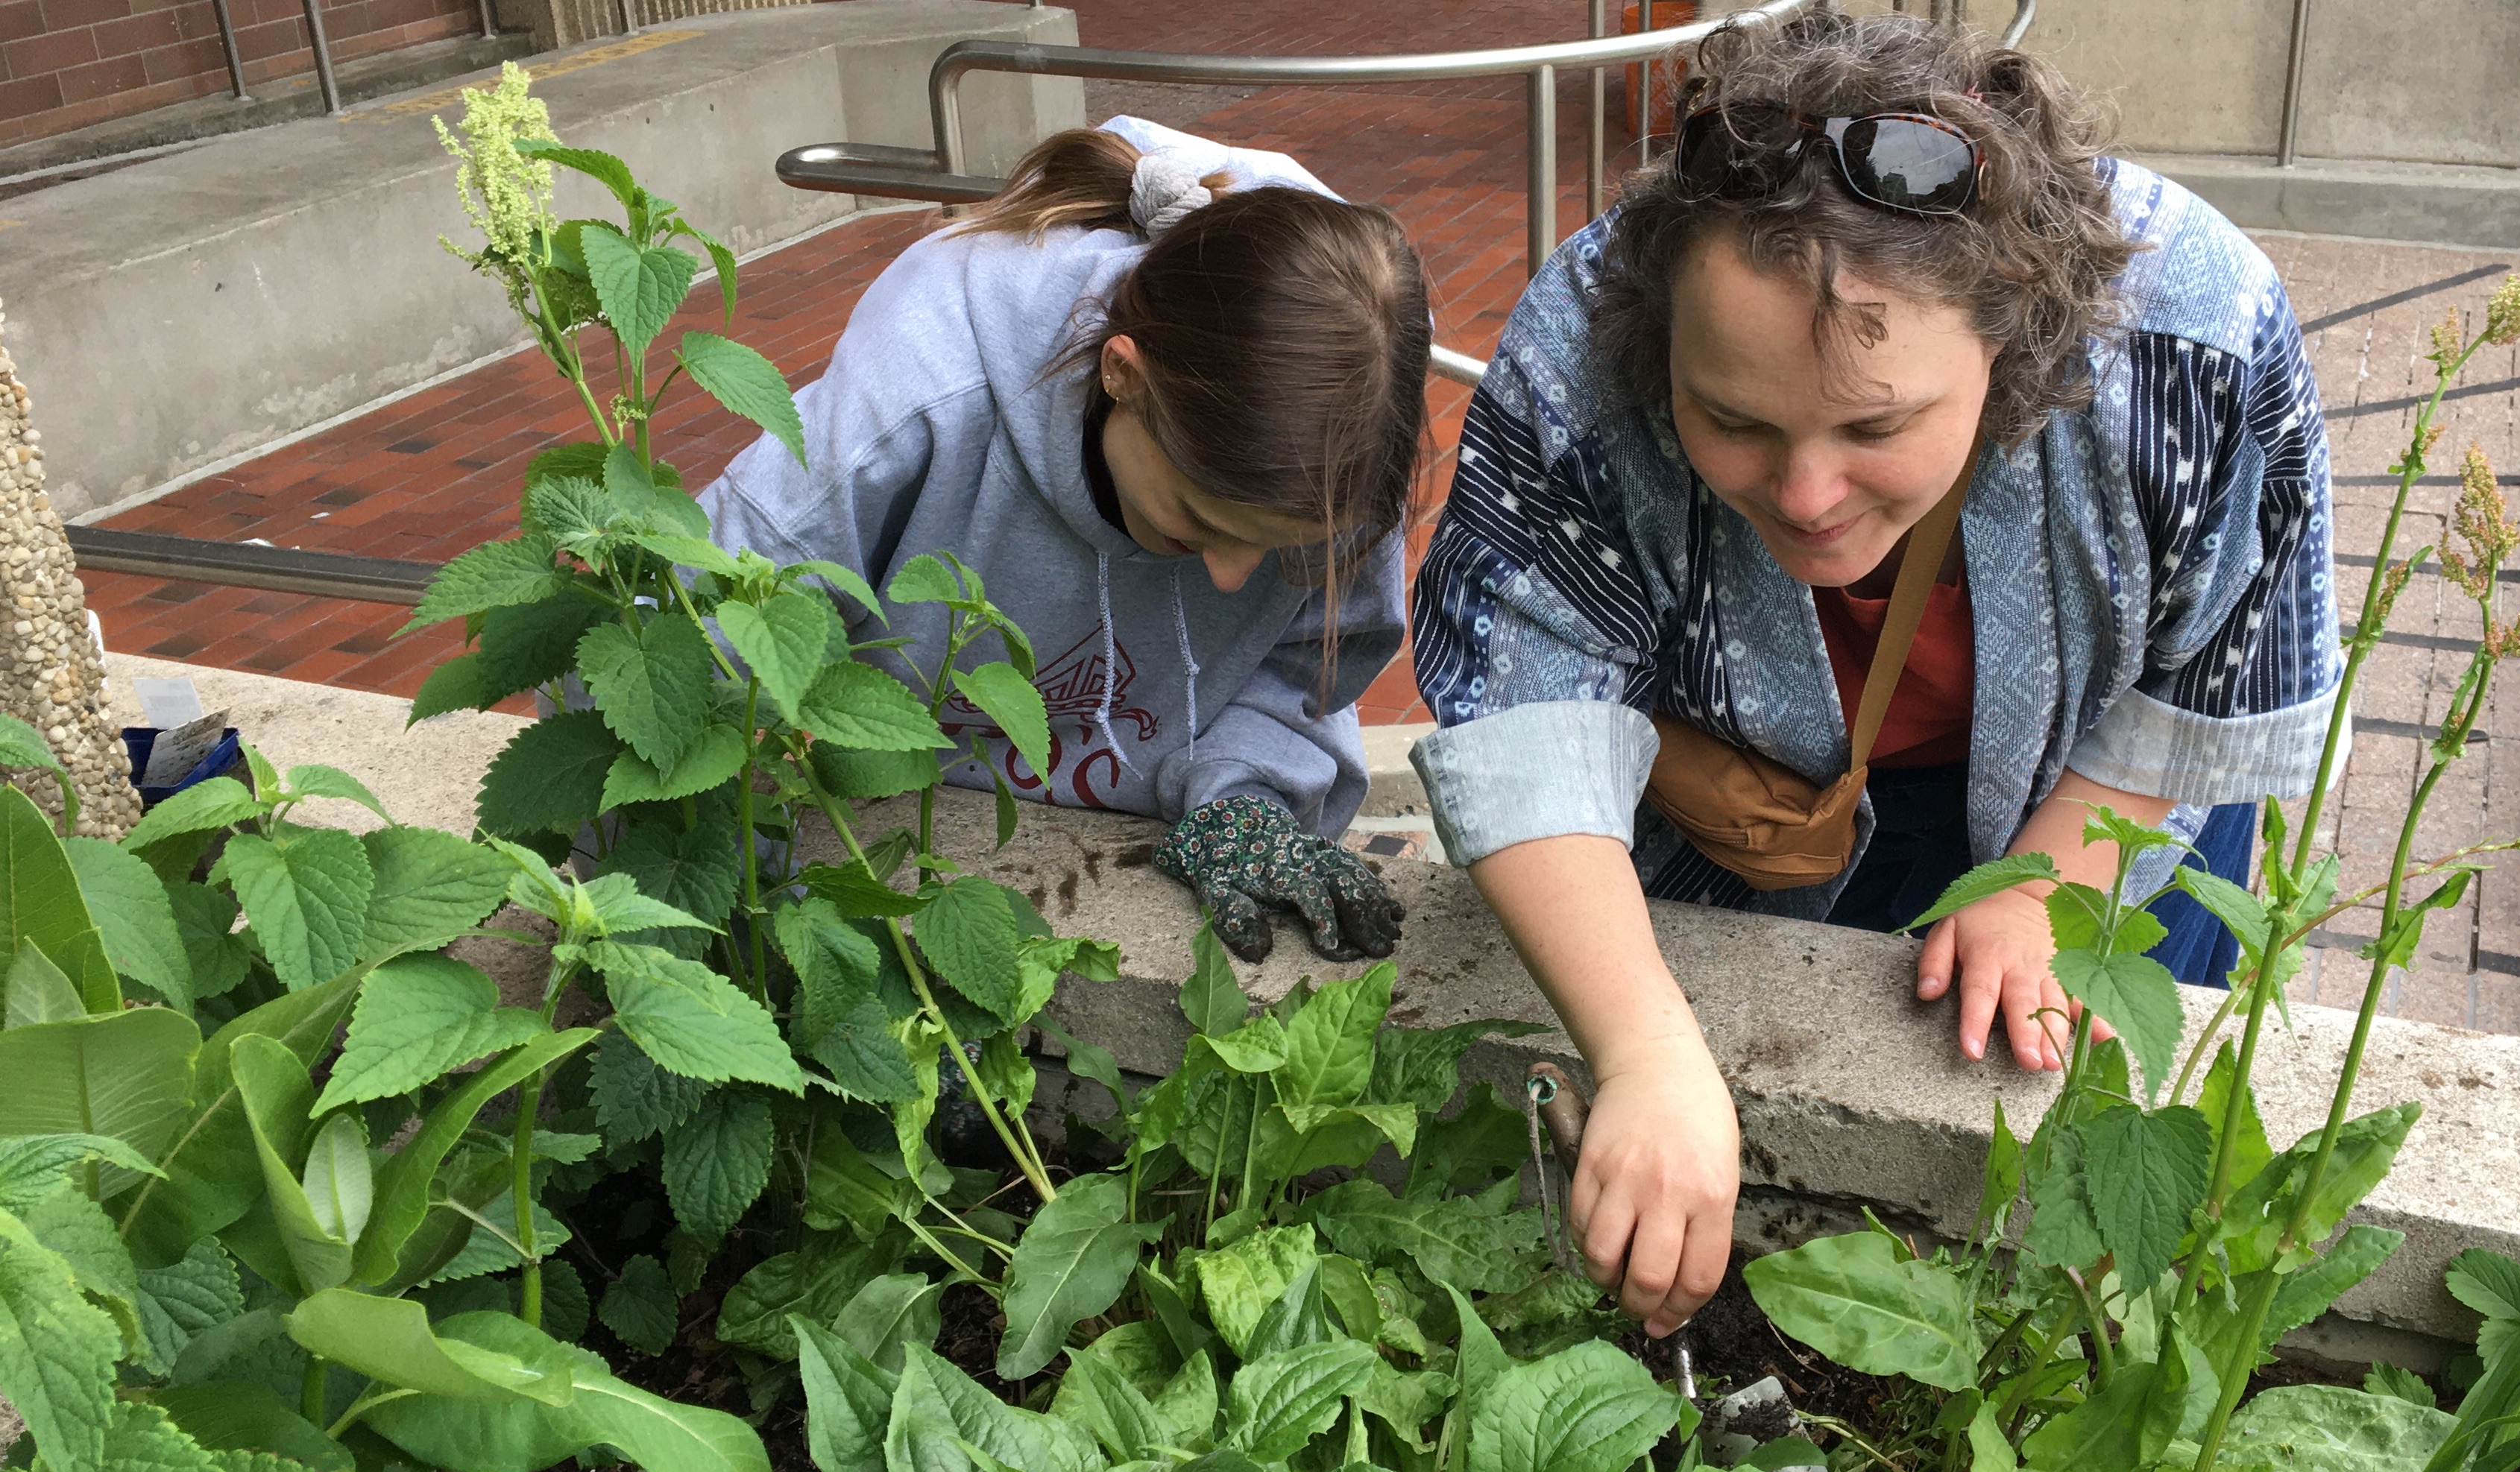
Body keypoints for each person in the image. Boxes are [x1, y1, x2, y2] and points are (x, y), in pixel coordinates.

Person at [1408, 11, 2337, 1333]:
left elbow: (2218, 662)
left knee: (2079, 1196)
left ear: (2014, 339)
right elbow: (1520, 696)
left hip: (2107, 790)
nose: (1804, 495)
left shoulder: (2195, 336)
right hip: (1752, 813)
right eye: (1730, 420)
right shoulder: (1576, 342)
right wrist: (1645, 1050)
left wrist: (2048, 880)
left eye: (1877, 426)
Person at [702, 117, 1430, 961]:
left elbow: (1301, 670)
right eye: (1201, 521)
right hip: (880, 831)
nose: (1236, 579)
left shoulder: (1342, 449)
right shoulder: (920, 397)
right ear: (1122, 375)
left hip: (1116, 853)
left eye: (1277, 551)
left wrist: (1247, 793)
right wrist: (751, 928)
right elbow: (684, 629)